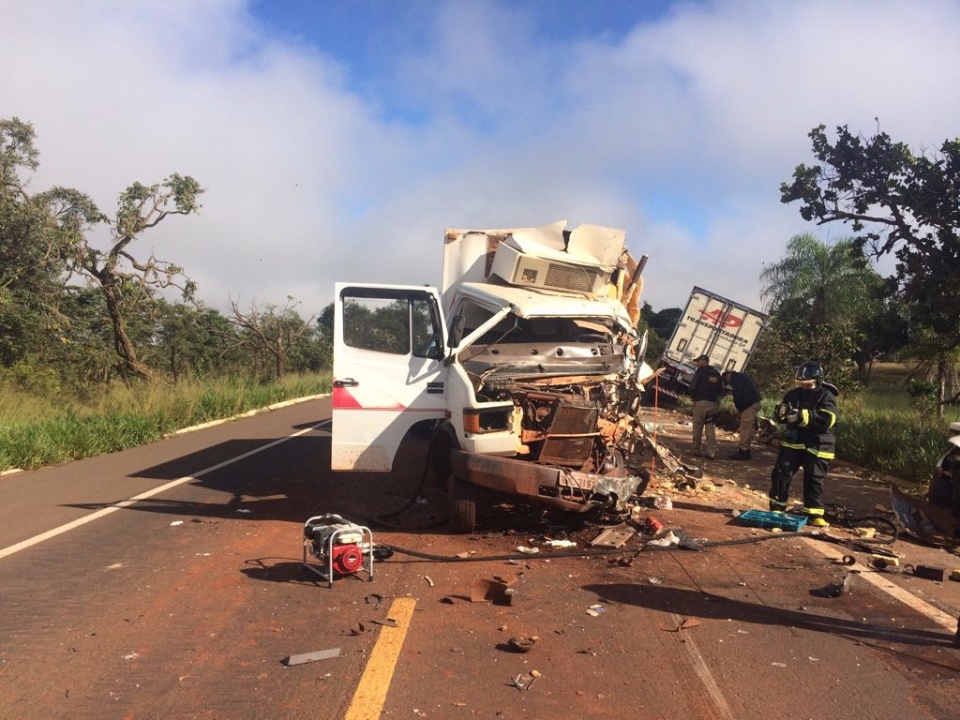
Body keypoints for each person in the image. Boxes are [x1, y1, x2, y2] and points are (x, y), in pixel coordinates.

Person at [768, 361, 839, 527]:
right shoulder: (793, 394)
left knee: (814, 480)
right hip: (795, 442)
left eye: (808, 385)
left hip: (817, 443)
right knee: (781, 473)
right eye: (800, 384)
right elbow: (783, 412)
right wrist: (782, 414)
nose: (804, 388)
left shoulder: (826, 396)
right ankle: (777, 507)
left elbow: (829, 419)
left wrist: (802, 416)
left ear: (817, 381)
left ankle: (814, 514)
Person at [721, 370, 762, 460]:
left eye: (727, 381)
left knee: (745, 428)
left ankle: (743, 451)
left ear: (727, 376)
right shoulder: (741, 376)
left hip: (749, 405)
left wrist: (740, 408)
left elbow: (738, 394)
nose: (728, 383)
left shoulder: (737, 379)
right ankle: (746, 450)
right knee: (750, 428)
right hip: (754, 403)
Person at [688, 354, 722, 459]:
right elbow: (721, 390)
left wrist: (692, 398)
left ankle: (696, 450)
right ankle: (711, 452)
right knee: (710, 429)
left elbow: (693, 386)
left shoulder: (700, 372)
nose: (697, 364)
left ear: (703, 361)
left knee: (698, 427)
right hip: (712, 405)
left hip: (700, 403)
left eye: (698, 362)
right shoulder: (717, 374)